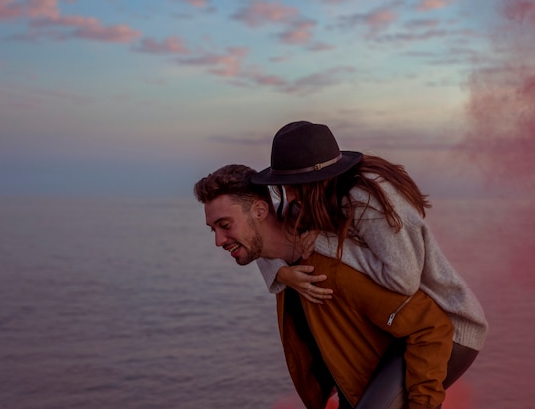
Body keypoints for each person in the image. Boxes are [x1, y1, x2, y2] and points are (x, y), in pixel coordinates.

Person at [251, 121, 488, 390]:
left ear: (315, 181)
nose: (288, 195)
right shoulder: (316, 200)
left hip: (448, 329)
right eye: (283, 184)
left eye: (292, 184)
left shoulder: (365, 198)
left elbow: (402, 279)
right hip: (395, 330)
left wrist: (327, 242)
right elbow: (268, 237)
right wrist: (281, 273)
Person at [194, 164, 454, 409]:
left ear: (261, 212)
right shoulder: (282, 265)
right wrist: (281, 273)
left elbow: (432, 326)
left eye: (225, 225)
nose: (218, 240)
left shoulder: (330, 270)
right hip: (349, 394)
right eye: (212, 229)